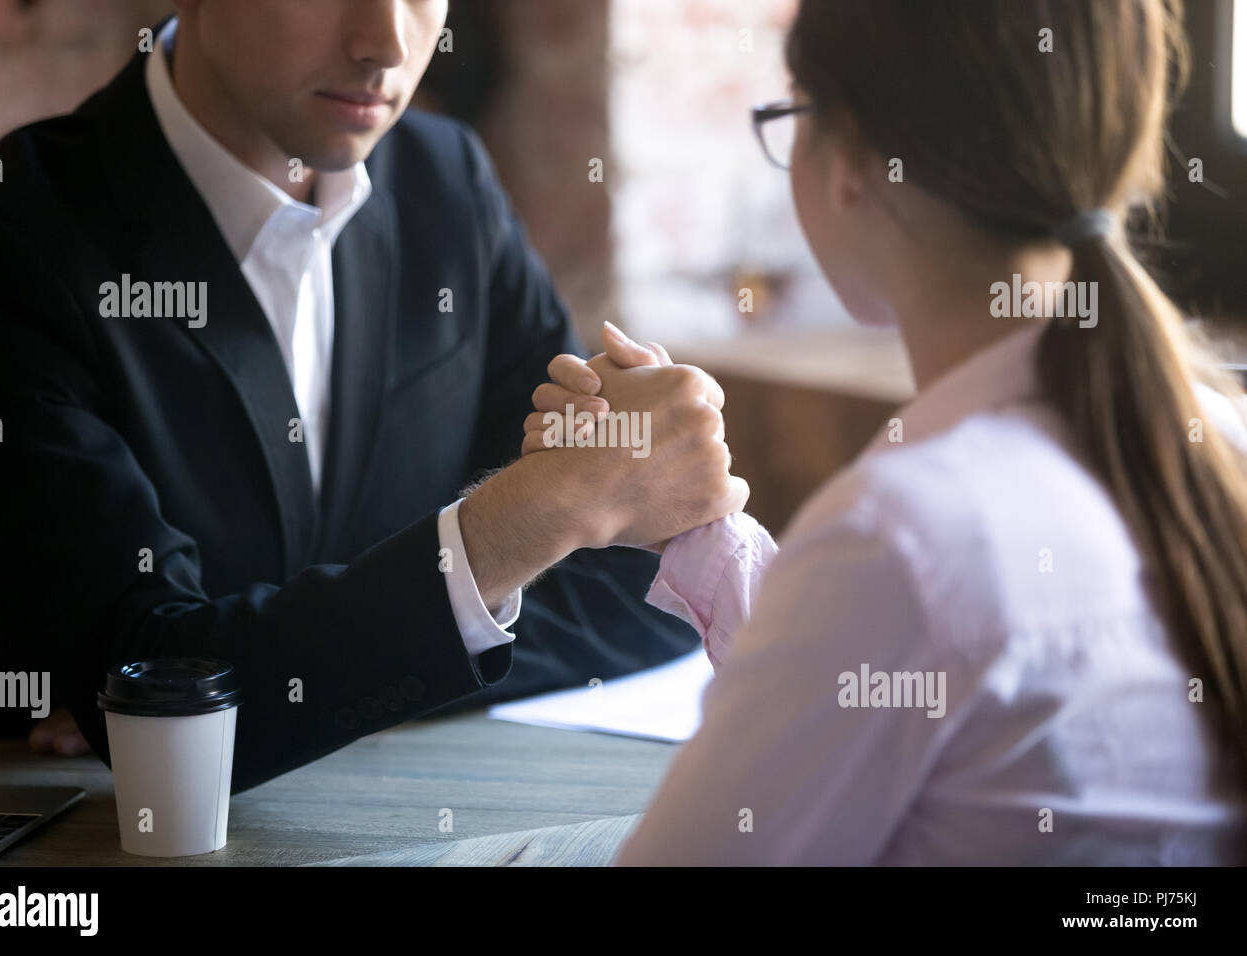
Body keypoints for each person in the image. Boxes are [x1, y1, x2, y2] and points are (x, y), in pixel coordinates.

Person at [0, 0, 747, 793]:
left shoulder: (448, 183)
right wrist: (524, 523)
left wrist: (287, 690)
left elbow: (635, 590)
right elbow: (156, 711)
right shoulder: (8, 246)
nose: (387, 42)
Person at [525, 0, 1247, 863]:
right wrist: (699, 528)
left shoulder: (901, 535)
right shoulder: (1212, 443)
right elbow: (867, 674)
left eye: (790, 117)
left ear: (853, 162)